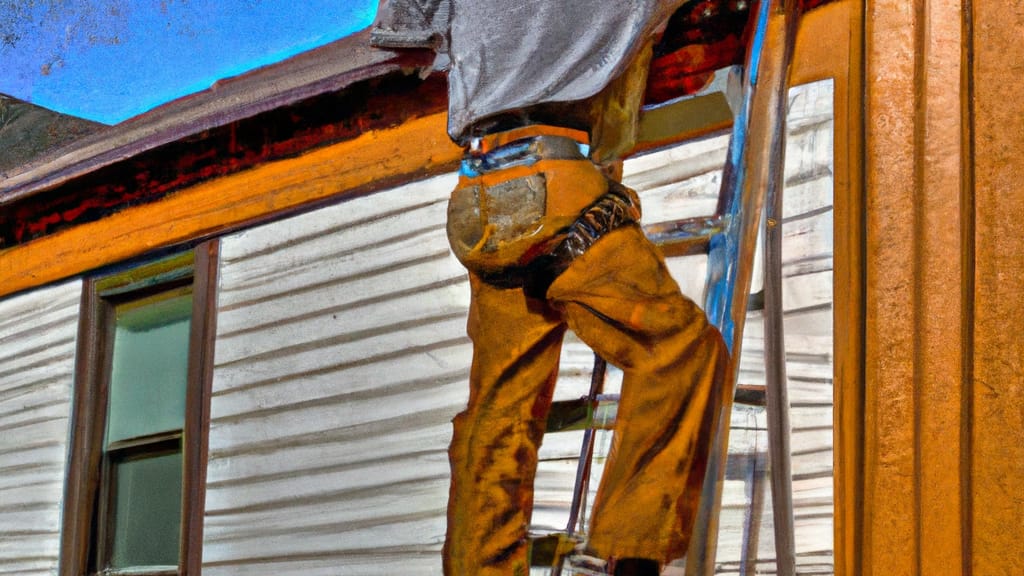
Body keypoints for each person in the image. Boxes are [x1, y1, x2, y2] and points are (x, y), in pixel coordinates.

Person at [372, 2, 729, 574]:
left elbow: (407, 42)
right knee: (677, 347)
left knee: (501, 410)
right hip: (555, 180)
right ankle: (630, 551)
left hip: (478, 197)